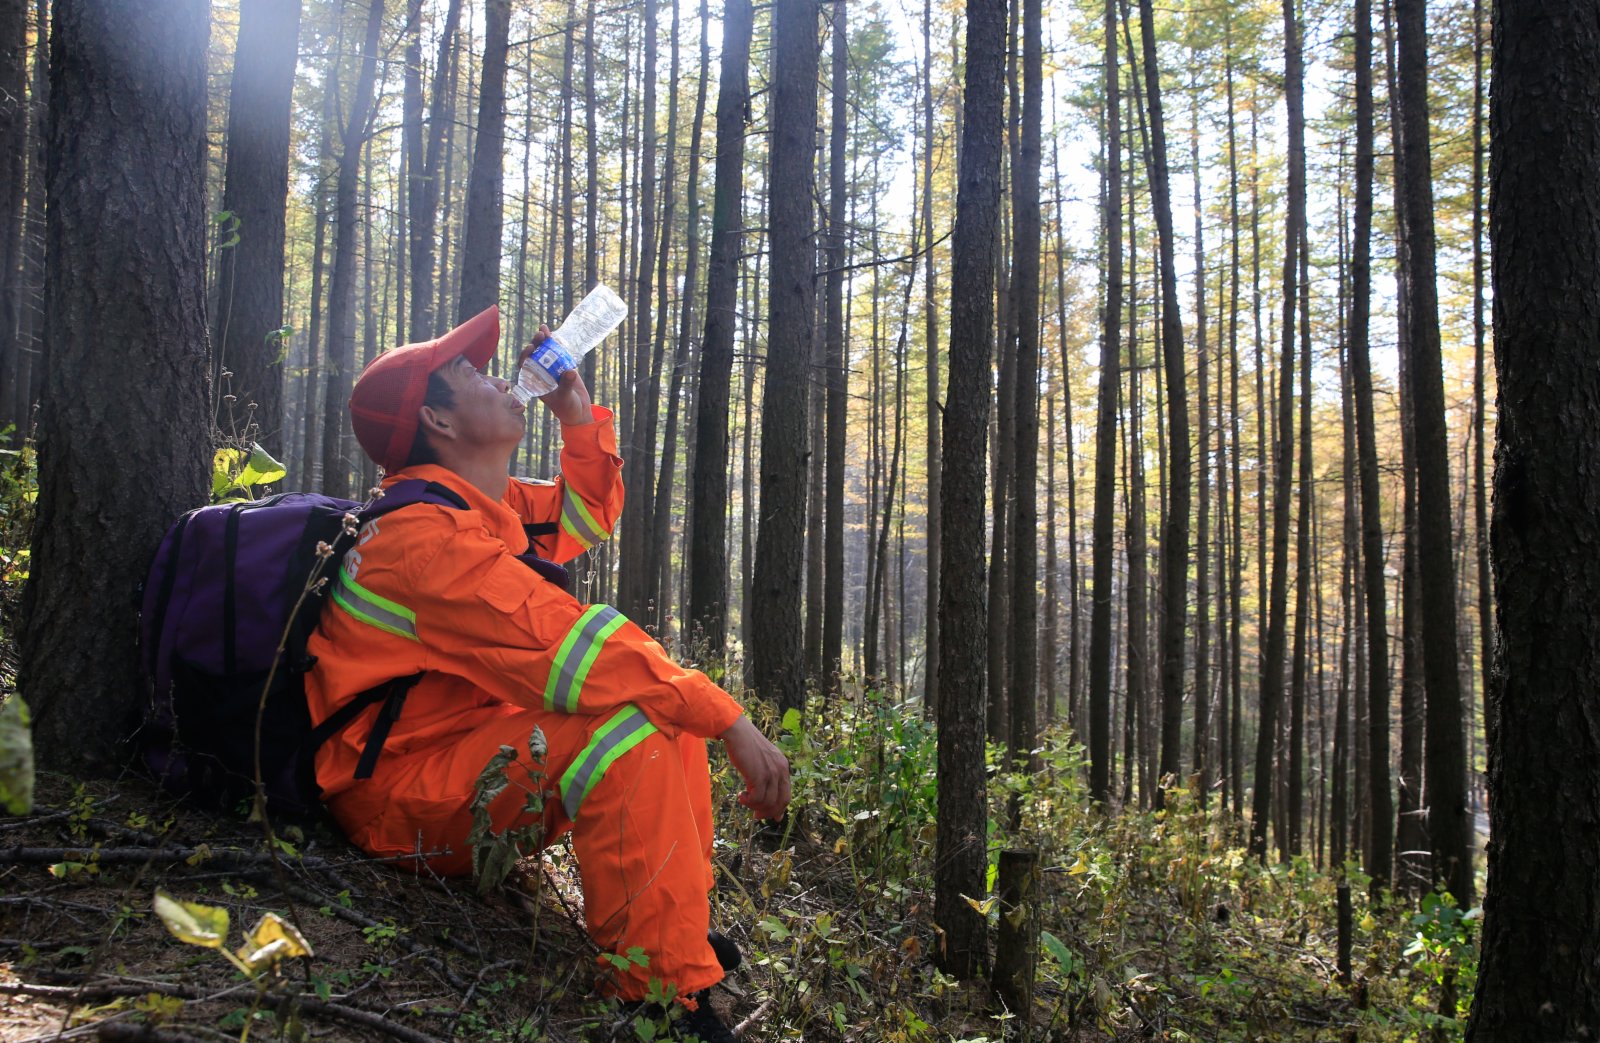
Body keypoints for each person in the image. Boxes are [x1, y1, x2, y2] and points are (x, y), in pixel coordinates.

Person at [306, 305, 790, 1040]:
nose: (500, 377)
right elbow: (570, 650)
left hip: (458, 753)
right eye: (471, 373)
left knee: (659, 703)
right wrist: (728, 715)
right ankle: (662, 1000)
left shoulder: (477, 503)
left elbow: (582, 515)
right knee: (635, 719)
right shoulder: (421, 538)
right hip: (401, 796)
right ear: (438, 420)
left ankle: (673, 933)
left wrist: (576, 416)